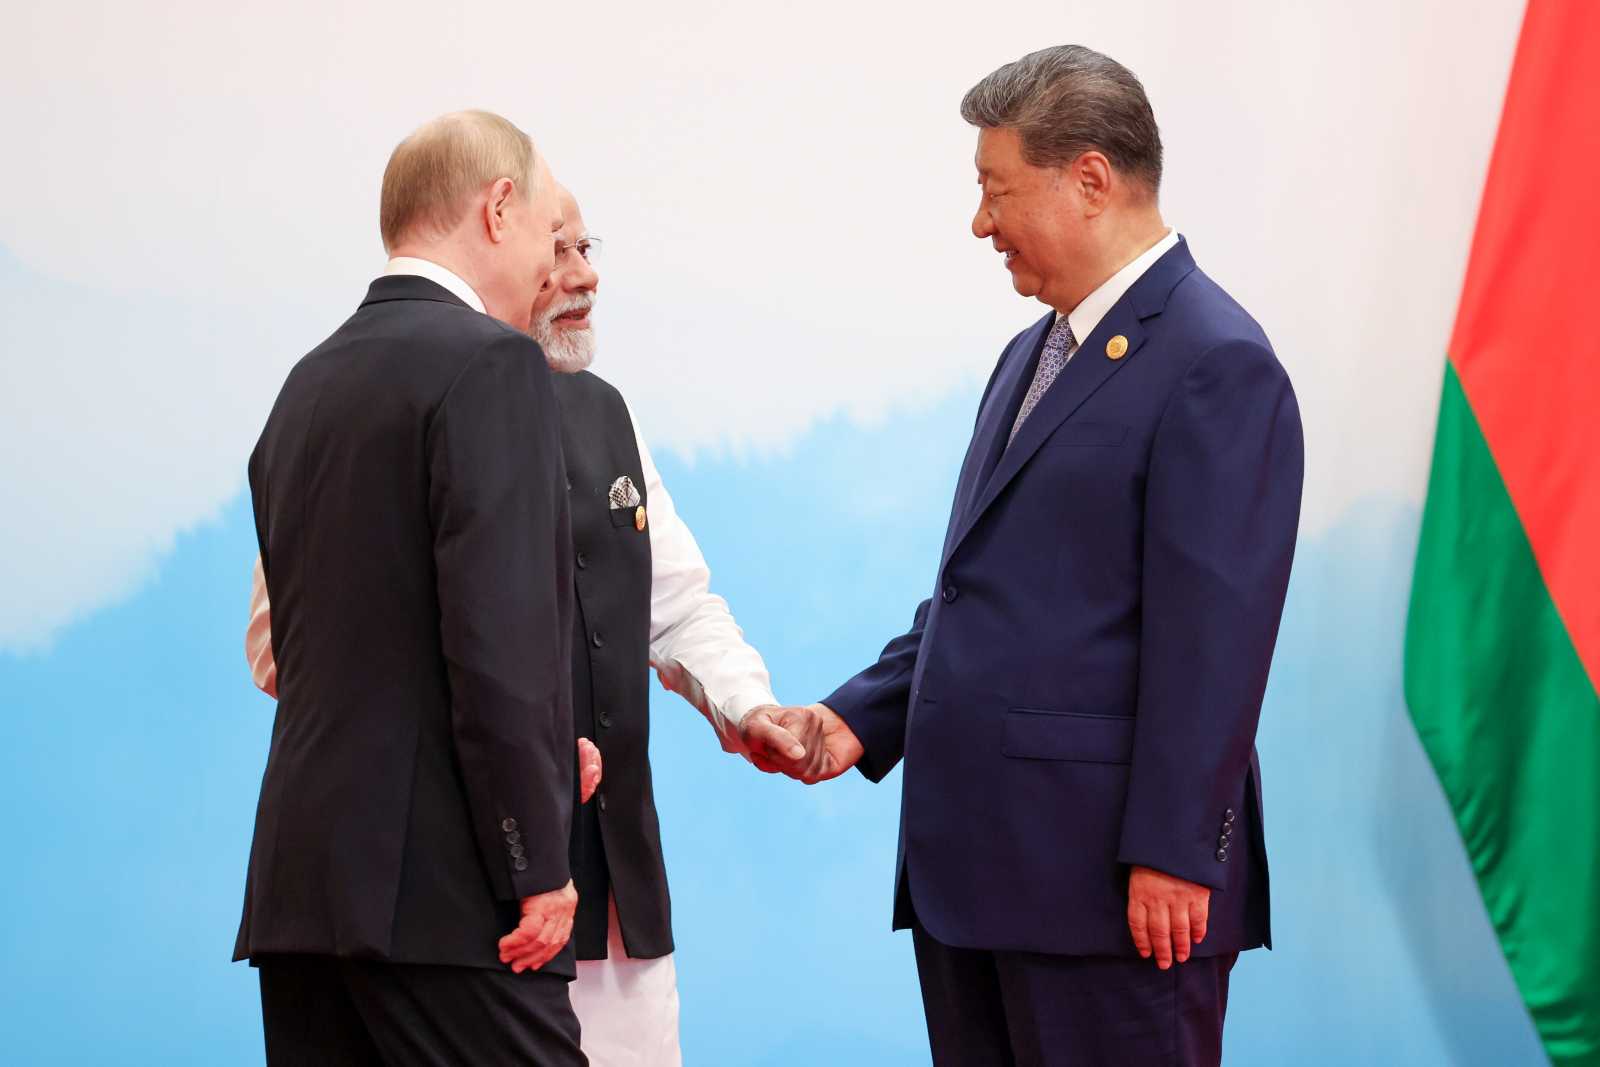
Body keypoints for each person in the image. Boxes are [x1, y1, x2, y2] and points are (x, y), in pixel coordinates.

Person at [749, 46, 1304, 1065]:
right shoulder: (1031, 354)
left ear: (1088, 178)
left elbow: (1214, 641)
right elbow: (986, 595)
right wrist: (855, 717)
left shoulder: (1215, 360)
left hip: (1112, 895)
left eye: (995, 191)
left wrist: (1175, 851)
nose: (979, 223)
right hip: (983, 879)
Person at [246, 185, 801, 1066]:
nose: (582, 275)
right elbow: (291, 646)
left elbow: (679, 603)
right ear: (503, 248)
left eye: (591, 249)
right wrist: (525, 743)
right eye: (560, 249)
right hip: (456, 900)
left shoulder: (606, 411)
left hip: (606, 897)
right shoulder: (381, 404)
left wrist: (748, 704)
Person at [235, 110, 591, 1065]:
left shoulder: (305, 385)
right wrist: (539, 860)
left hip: (302, 896)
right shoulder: (492, 364)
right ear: (499, 207)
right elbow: (498, 644)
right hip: (447, 900)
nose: (554, 270)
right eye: (548, 233)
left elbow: (356, 638)